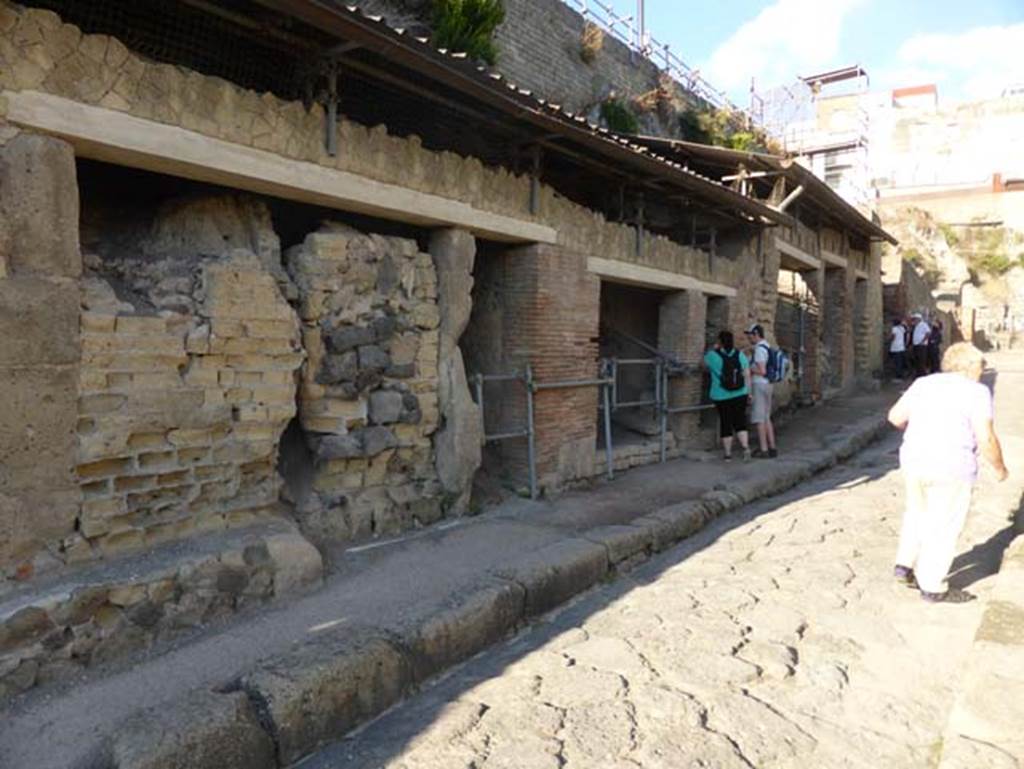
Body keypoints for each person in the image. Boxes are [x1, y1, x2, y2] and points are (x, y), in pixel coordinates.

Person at [887, 343, 1008, 603]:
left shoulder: (923, 384)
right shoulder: (976, 392)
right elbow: (986, 437)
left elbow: (895, 417)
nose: (982, 371)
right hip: (952, 465)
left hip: (914, 460)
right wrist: (999, 468)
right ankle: (932, 586)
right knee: (944, 525)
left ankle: (904, 565)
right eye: (981, 366)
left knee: (916, 513)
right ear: (969, 366)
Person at [703, 330, 752, 462]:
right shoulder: (740, 355)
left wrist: (713, 349)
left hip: (721, 395)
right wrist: (749, 392)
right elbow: (747, 375)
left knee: (726, 423)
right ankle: (746, 448)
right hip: (740, 393)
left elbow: (703, 365)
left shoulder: (712, 356)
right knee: (740, 421)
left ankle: (728, 455)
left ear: (719, 342)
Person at [745, 324, 777, 458]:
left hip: (760, 385)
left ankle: (763, 450)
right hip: (768, 385)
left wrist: (749, 369)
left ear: (756, 334)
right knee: (766, 417)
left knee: (759, 419)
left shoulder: (759, 350)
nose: (748, 338)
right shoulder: (767, 346)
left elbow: (762, 371)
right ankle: (772, 447)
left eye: (750, 335)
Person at [910, 312, 930, 377]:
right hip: (916, 345)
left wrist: (922, 341)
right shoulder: (916, 326)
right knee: (917, 360)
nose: (914, 320)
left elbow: (928, 333)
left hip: (921, 345)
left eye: (915, 319)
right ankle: (918, 373)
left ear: (918, 319)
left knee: (921, 360)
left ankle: (922, 374)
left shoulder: (923, 324)